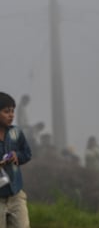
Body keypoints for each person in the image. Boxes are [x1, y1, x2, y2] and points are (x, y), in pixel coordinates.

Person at [0, 92, 32, 228]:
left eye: (12, 111)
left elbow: (27, 153)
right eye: (6, 111)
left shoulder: (16, 133)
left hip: (16, 195)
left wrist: (16, 156)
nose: (11, 115)